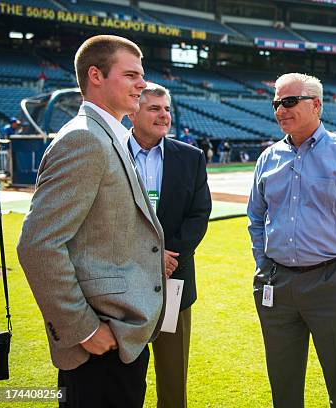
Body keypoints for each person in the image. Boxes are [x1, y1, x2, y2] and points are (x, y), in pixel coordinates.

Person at [17, 35, 165, 408]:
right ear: (95, 75)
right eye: (131, 75)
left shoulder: (106, 136)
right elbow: (38, 243)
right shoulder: (84, 139)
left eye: (142, 75)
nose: (142, 85)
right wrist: (83, 329)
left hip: (119, 337)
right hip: (99, 344)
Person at [247, 73, 336, 408]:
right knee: (283, 386)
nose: (281, 109)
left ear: (317, 105)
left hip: (332, 282)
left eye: (290, 101)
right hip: (277, 284)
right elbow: (256, 219)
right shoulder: (267, 158)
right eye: (276, 103)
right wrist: (264, 266)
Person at [127, 82, 212, 408]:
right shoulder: (111, 152)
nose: (164, 115)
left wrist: (169, 256)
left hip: (173, 281)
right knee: (122, 373)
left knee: (172, 375)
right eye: (154, 108)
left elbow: (198, 214)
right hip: (123, 281)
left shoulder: (190, 158)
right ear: (134, 111)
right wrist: (149, 257)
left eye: (166, 109)